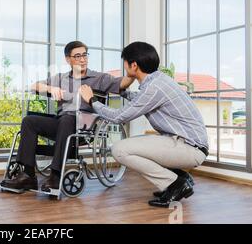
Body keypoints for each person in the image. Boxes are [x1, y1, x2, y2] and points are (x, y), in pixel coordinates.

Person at [79, 41, 208, 207]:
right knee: (137, 146)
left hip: (189, 148)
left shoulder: (154, 87)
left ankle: (175, 183)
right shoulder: (158, 81)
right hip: (186, 145)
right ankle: (179, 178)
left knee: (119, 149)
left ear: (134, 65)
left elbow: (119, 117)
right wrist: (123, 92)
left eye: (125, 63)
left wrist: (92, 100)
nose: (124, 68)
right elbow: (141, 100)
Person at [0, 41, 134, 192]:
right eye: (77, 56)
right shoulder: (60, 78)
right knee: (29, 121)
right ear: (68, 59)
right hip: (62, 123)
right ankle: (28, 175)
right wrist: (51, 88)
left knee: (67, 119)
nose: (82, 59)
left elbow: (122, 83)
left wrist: (133, 72)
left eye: (84, 55)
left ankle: (56, 175)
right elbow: (34, 86)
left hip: (84, 126)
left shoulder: (99, 78)